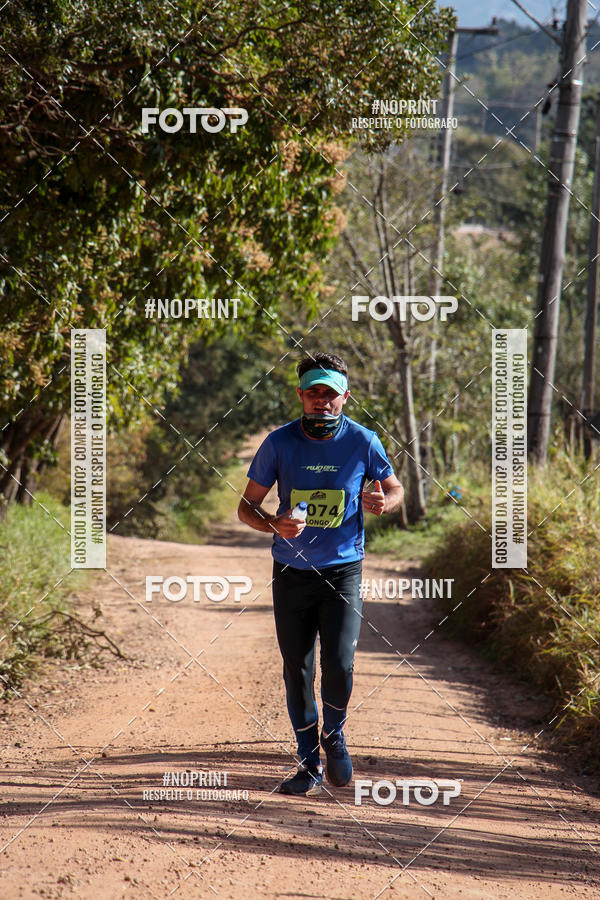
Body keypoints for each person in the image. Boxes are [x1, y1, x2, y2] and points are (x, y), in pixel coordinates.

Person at [237, 352, 404, 795]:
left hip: (343, 571)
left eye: (330, 394)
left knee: (340, 663)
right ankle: (308, 760)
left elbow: (394, 488)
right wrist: (273, 524)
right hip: (292, 572)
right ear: (300, 395)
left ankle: (335, 733)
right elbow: (246, 506)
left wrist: (385, 502)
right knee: (297, 667)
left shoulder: (364, 441)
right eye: (313, 393)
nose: (322, 401)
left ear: (345, 397)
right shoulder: (279, 442)